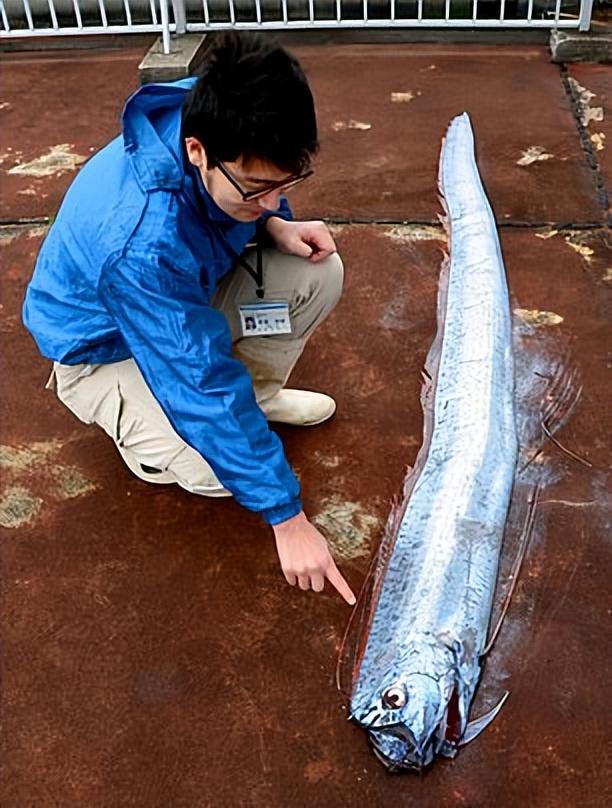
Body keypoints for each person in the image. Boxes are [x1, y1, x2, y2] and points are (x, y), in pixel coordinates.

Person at [22, 32, 356, 606]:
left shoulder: (215, 106)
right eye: (256, 190)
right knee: (213, 471)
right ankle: (151, 444)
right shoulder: (138, 242)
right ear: (198, 151)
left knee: (319, 273)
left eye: (287, 183)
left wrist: (273, 223)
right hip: (107, 348)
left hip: (185, 292)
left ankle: (258, 398)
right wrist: (287, 518)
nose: (274, 199)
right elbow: (196, 378)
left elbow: (256, 186)